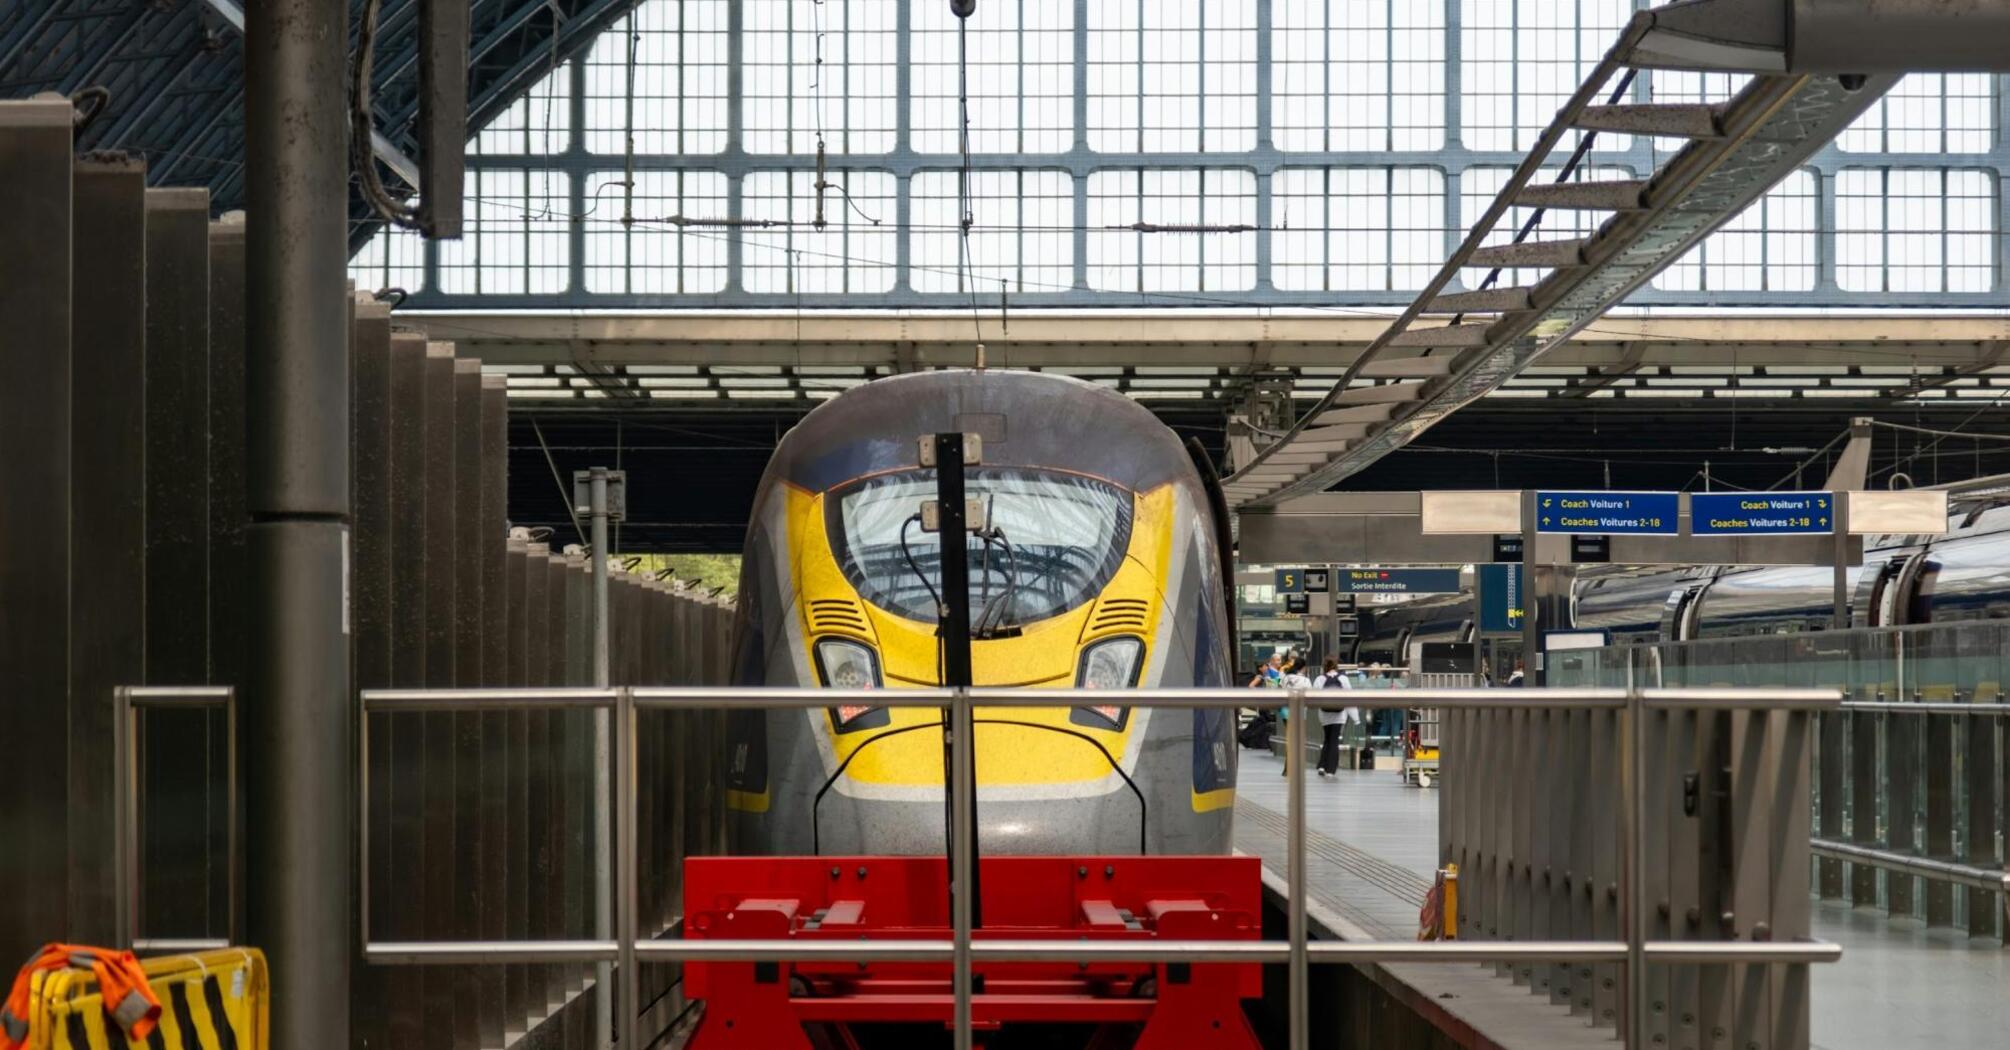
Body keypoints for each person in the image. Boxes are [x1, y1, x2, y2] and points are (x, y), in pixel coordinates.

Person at [1314, 657, 1358, 778]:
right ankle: (1331, 769)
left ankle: (1322, 765)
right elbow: (1350, 698)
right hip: (1339, 714)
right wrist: (1356, 718)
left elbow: (1314, 696)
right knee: (1334, 740)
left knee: (1327, 739)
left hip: (1324, 714)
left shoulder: (1320, 679)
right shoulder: (1343, 679)